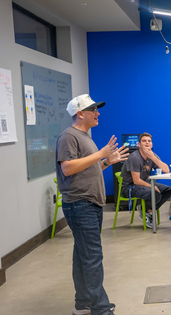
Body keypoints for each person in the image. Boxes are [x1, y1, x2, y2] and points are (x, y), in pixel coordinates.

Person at [56, 94, 127, 315]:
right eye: (93, 110)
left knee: (83, 255)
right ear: (80, 113)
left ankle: (83, 303)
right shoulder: (69, 137)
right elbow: (67, 168)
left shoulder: (85, 136)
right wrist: (100, 154)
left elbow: (86, 170)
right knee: (93, 257)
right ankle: (100, 309)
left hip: (90, 204)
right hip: (80, 205)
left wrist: (106, 161)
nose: (98, 113)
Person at [120, 133, 171, 228]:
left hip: (143, 184)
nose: (147, 143)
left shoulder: (152, 156)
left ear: (152, 144)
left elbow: (166, 170)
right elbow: (136, 181)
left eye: (149, 141)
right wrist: (153, 186)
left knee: (168, 190)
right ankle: (146, 213)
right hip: (129, 187)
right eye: (144, 141)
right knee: (155, 193)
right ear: (139, 144)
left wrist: (153, 157)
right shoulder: (135, 158)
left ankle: (147, 211)